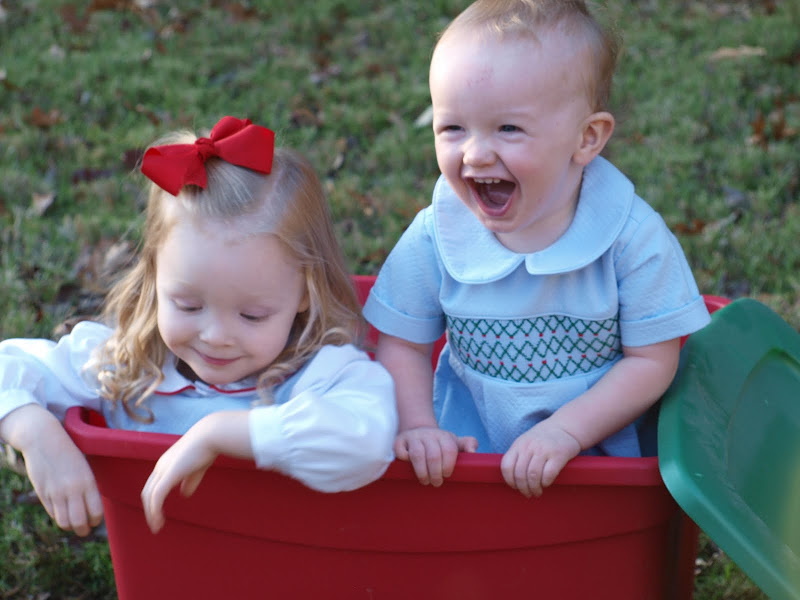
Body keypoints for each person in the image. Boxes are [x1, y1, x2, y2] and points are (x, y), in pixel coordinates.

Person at [363, 0, 710, 499]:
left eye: (508, 128)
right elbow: (403, 343)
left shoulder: (629, 237)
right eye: (453, 127)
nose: (475, 153)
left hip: (596, 465)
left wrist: (565, 431)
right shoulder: (438, 233)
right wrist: (419, 425)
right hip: (467, 456)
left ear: (586, 138)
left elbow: (653, 362)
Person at [0, 116, 397, 536]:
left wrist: (220, 433)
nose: (216, 336)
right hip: (164, 564)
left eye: (252, 315)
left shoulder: (321, 374)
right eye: (188, 305)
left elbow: (368, 440)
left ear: (305, 293)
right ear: (155, 277)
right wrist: (32, 429)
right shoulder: (128, 367)